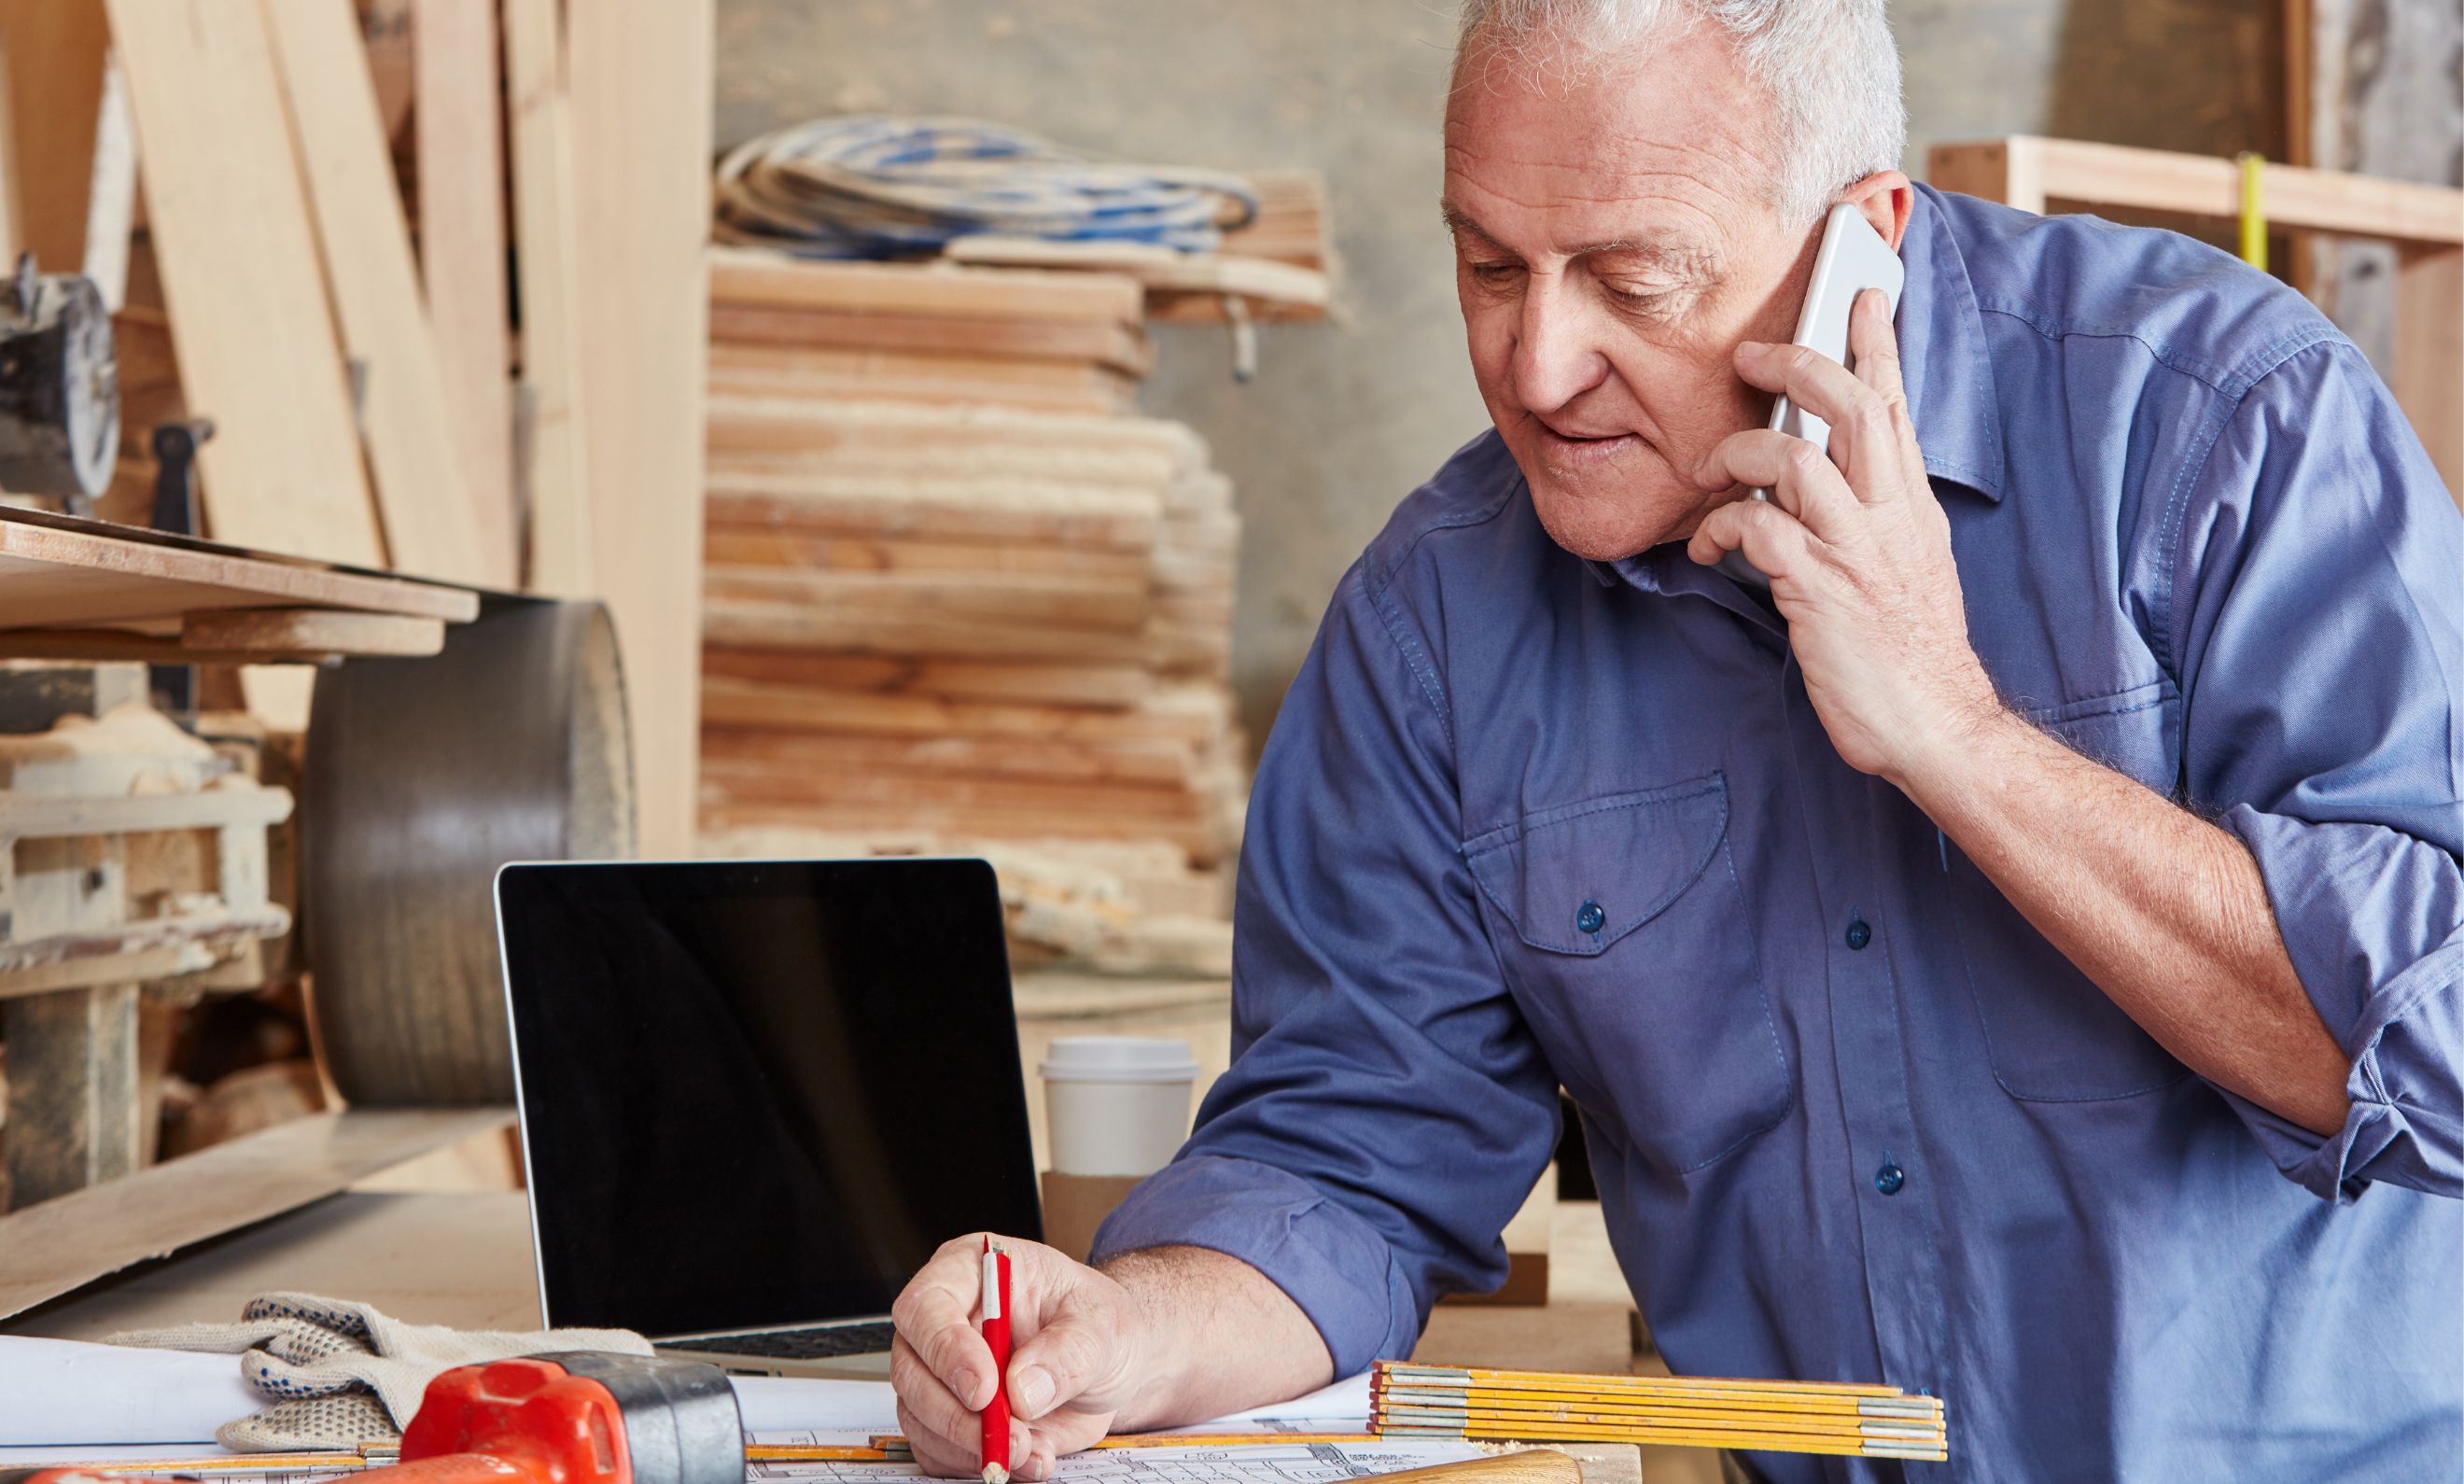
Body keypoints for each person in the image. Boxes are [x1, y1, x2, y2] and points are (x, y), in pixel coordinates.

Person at [889, 2, 2464, 1478]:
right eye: (1491, 266)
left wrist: (1956, 732)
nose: (1539, 365)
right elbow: (1346, 1160)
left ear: (1868, 243)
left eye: (1631, 283)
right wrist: (1122, 1332)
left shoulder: (2219, 421)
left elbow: (2436, 1044)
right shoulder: (1432, 625)